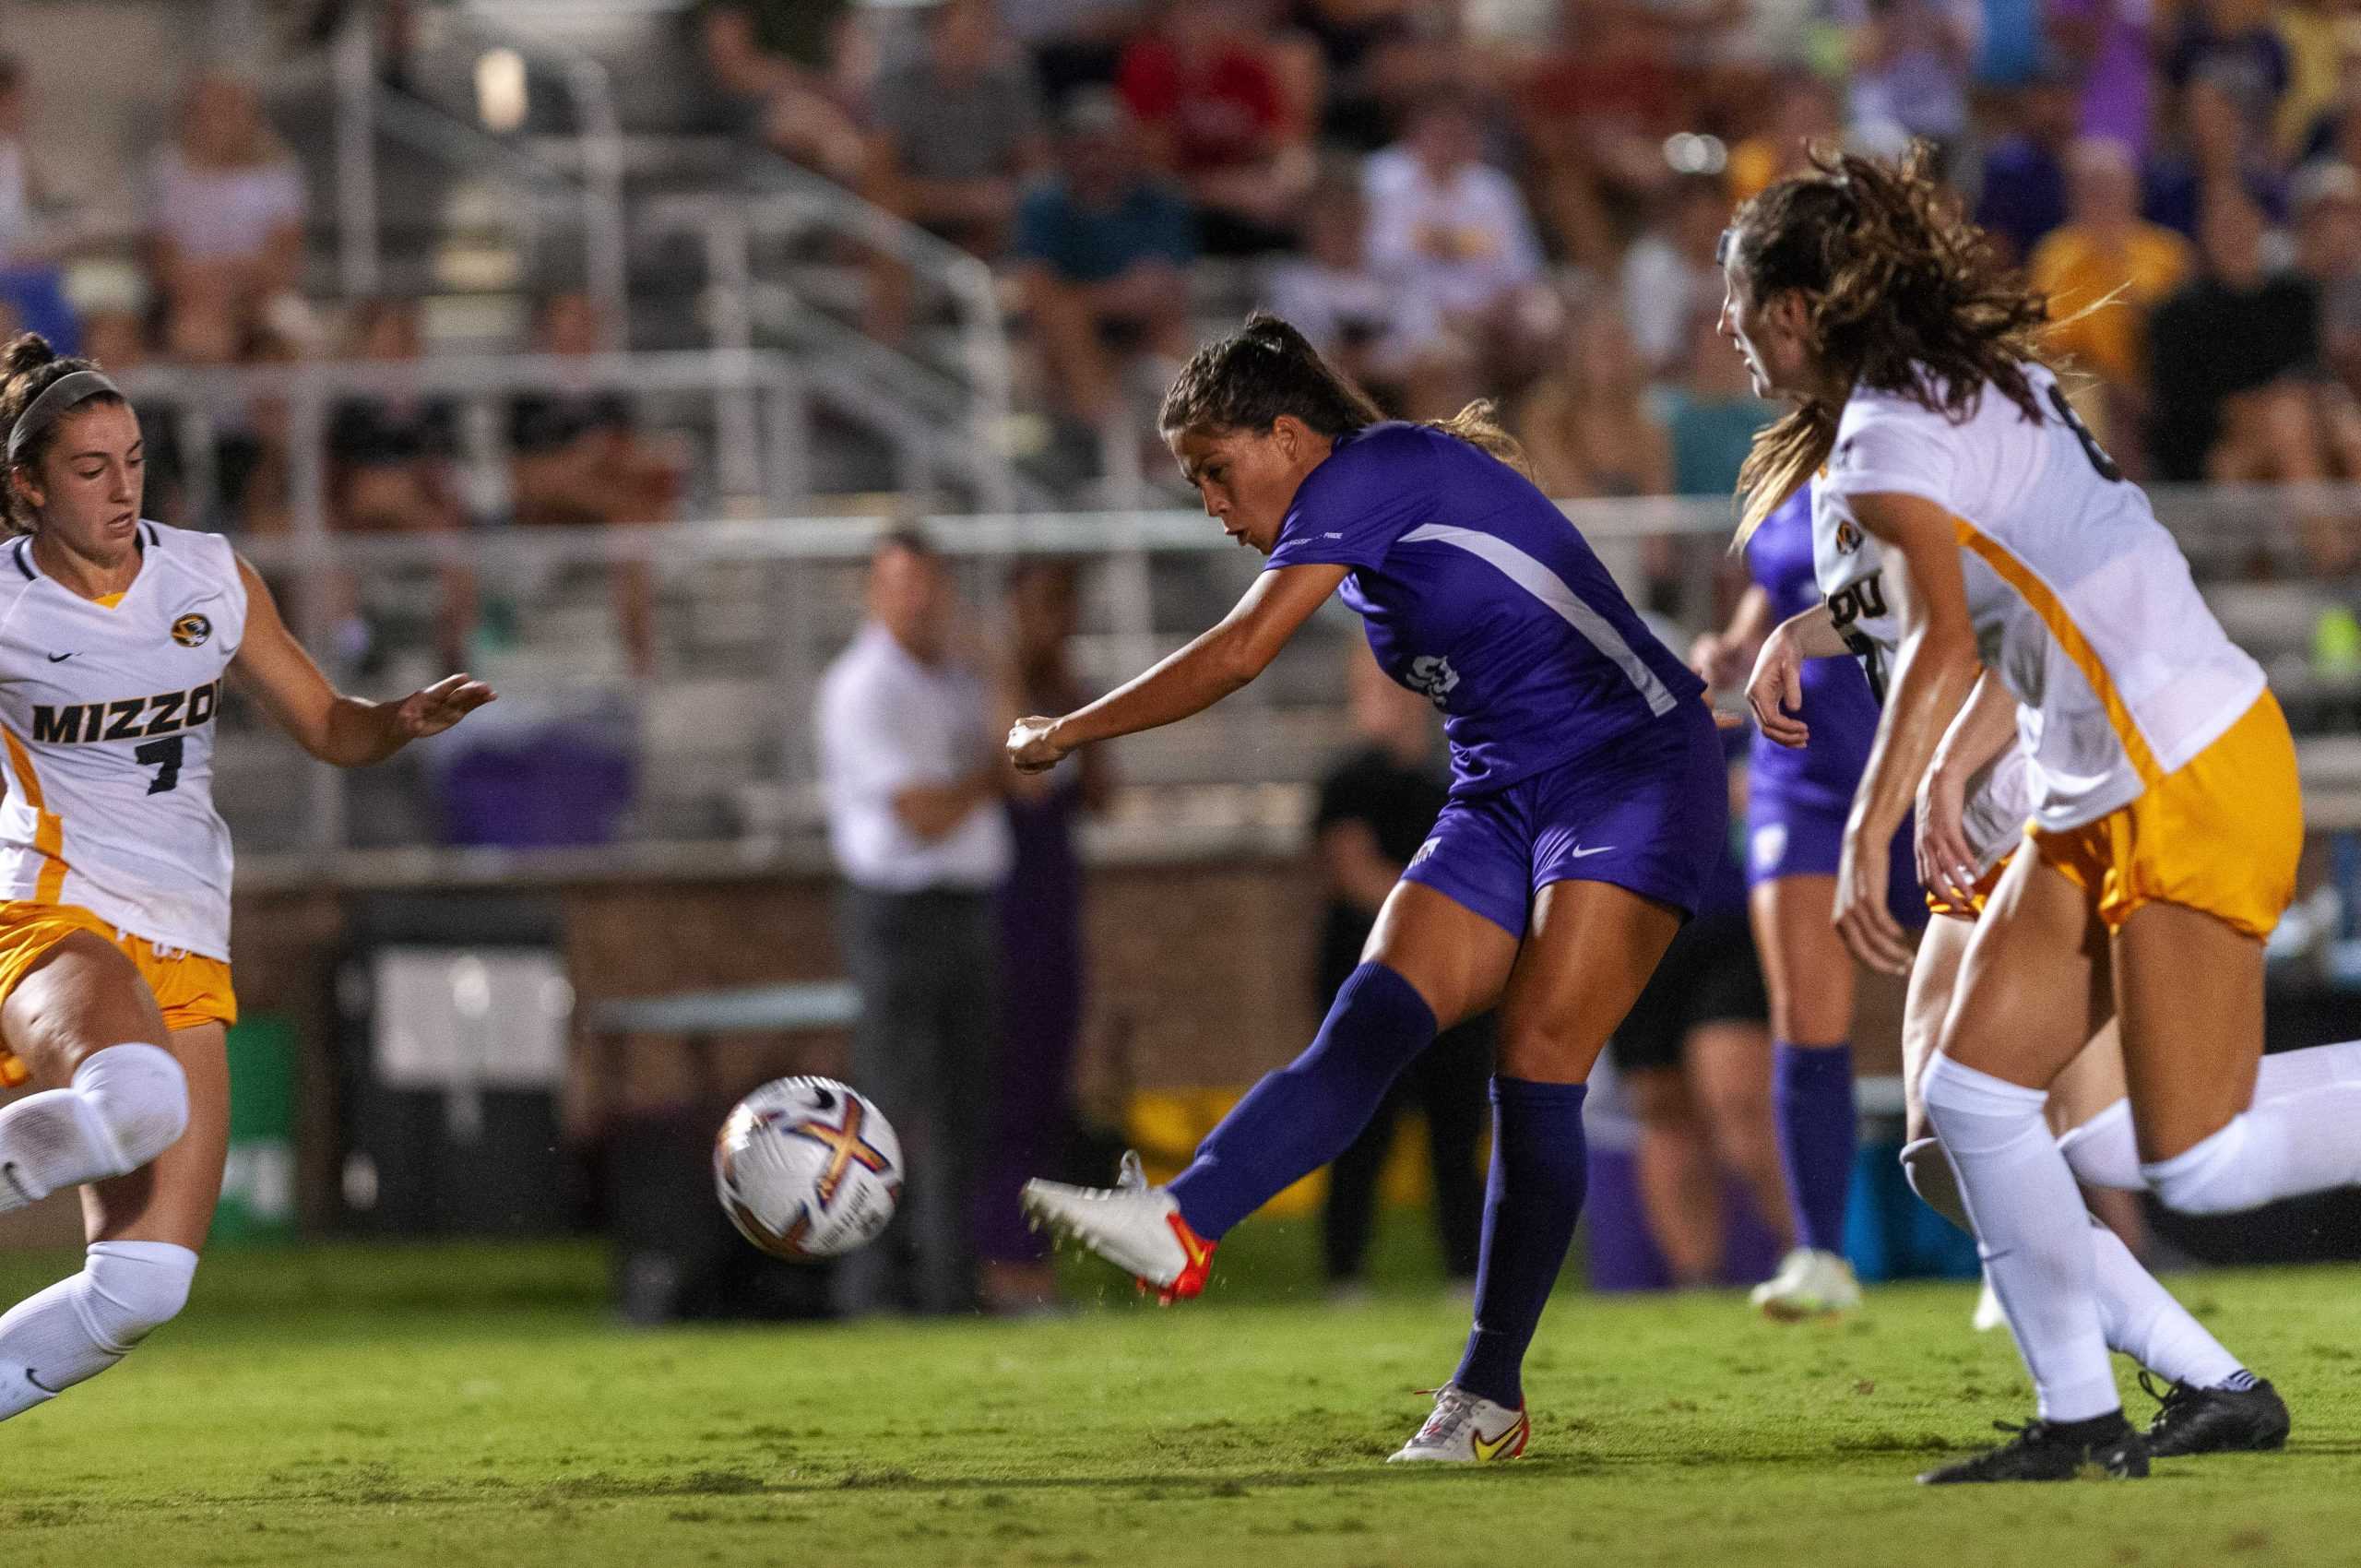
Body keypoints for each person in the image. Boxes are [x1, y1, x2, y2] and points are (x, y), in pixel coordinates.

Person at [1718, 142, 2361, 1484]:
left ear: (1791, 309)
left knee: (2203, 1163)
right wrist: (1812, 634)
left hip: (2172, 755)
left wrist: (1876, 817)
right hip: (2100, 775)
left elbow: (1949, 636)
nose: (1729, 333)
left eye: (1739, 306)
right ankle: (2081, 1414)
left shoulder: (1890, 427)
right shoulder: (1950, 383)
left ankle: (2164, 1384)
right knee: (1967, 1106)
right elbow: (1977, 585)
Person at [1016, 312, 1726, 1464]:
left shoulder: (1374, 468)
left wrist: (1067, 728)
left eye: (1215, 469)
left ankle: (1488, 1391)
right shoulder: (1363, 513)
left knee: (1536, 1058)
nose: (1210, 502)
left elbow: (1240, 653)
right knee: (1371, 1015)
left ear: (1291, 437)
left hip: (1631, 769)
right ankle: (1183, 1220)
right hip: (1499, 793)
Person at [0, 331, 492, 1423]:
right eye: (90, 468)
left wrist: (399, 720)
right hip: (49, 908)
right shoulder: (7, 604)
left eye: (132, 458)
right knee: (135, 1098)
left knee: (141, 1288)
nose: (123, 486)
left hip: (185, 929)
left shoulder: (208, 576)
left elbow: (326, 723)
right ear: (27, 486)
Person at [1690, 481, 1924, 1318]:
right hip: (1803, 778)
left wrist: (1789, 631)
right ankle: (1821, 1252)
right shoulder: (1786, 466)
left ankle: (2049, 1238)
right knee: (1805, 1011)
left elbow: (1919, 588)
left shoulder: (1896, 434)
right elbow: (1780, 580)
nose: (1735, 339)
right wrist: (1741, 643)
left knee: (1987, 1009)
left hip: (1923, 766)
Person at [816, 529, 1013, 1316]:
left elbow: (1026, 766)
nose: (919, 602)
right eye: (901, 585)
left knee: (965, 1104)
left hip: (964, 908)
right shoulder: (863, 687)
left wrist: (998, 671)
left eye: (929, 585)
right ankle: (873, 1289)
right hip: (897, 912)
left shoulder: (956, 680)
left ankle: (949, 1286)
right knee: (893, 1108)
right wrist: (992, 774)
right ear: (875, 593)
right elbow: (923, 813)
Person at [1312, 646, 1491, 1296]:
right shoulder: (1350, 781)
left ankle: (1464, 1270)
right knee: (1361, 1130)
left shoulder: (1456, 778)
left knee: (1457, 1130)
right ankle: (1344, 1273)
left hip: (1456, 987)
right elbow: (1351, 871)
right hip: (1372, 981)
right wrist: (1443, 910)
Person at [974, 557, 1111, 1313]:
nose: (1050, 624)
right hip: (1002, 903)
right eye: (1037, 607)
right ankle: (999, 1262)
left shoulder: (1070, 691)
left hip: (1056, 901)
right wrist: (1008, 678)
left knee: (1048, 1084)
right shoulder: (991, 693)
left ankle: (1032, 1263)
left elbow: (1102, 795)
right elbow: (1020, 784)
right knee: (1005, 1084)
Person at [1601, 738, 1786, 1290]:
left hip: (1733, 926)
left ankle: (1817, 1256)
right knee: (1662, 1108)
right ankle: (1698, 1281)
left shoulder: (1758, 719)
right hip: (1637, 924)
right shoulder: (1599, 719)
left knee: (1741, 1105)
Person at [506, 291, 683, 676]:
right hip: (547, 507)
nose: (578, 333)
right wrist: (584, 459)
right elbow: (524, 477)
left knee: (634, 515)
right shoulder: (525, 390)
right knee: (610, 501)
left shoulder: (611, 388)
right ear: (547, 332)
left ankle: (639, 659)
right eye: (568, 323)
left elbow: (626, 453)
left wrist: (598, 459)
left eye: (585, 323)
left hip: (603, 503)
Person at [1012, 90, 1197, 434]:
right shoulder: (1044, 204)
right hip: (1066, 336)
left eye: (1107, 147)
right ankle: (1105, 436)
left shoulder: (1159, 200)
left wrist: (1085, 299)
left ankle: (1178, 439)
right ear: (1065, 151)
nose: (1097, 160)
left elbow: (1162, 289)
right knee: (1065, 321)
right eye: (1085, 147)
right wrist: (1109, 298)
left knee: (1171, 330)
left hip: (1138, 326)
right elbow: (1039, 291)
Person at [143, 75, 306, 365]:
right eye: (212, 111)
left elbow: (284, 260)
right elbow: (164, 263)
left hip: (262, 295)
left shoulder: (279, 172)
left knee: (298, 337)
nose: (221, 122)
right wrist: (212, 291)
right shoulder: (167, 173)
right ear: (191, 117)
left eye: (231, 110)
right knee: (200, 339)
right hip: (193, 299)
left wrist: (244, 293)